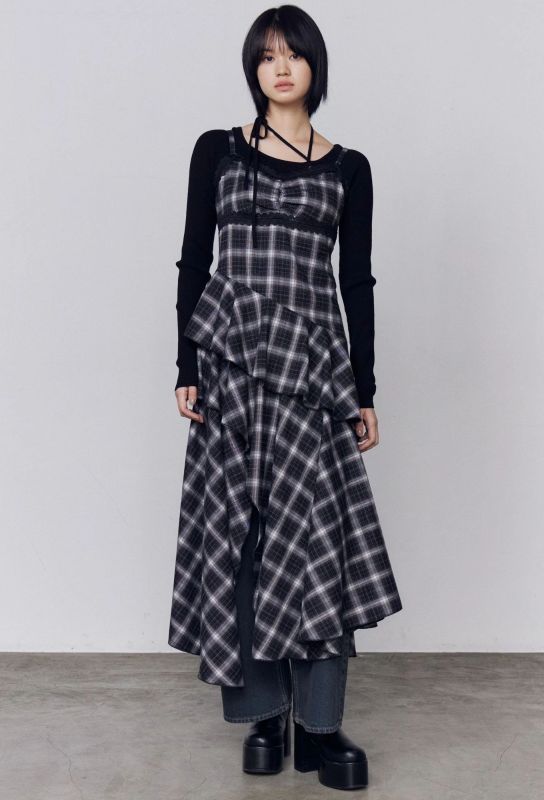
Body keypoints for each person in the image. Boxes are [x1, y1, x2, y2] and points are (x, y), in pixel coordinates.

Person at [167, 5, 403, 791]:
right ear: (253, 68)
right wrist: (186, 366)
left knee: (314, 541)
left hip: (310, 373)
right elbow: (193, 261)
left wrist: (363, 389)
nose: (280, 67)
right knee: (238, 539)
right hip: (231, 367)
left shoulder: (349, 168)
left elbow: (356, 282)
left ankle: (320, 729)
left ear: (313, 67)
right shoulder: (216, 151)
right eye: (266, 55)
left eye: (293, 55)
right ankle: (263, 718)